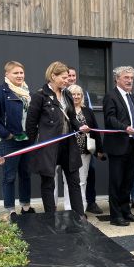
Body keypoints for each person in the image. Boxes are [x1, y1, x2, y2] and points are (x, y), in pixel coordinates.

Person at [26, 61, 89, 220]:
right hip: (49, 146)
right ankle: (50, 219)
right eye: (63, 77)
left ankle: (79, 217)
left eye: (68, 77)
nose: (67, 80)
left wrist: (80, 127)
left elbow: (72, 117)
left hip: (68, 144)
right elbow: (31, 124)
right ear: (53, 76)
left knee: (74, 181)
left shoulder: (67, 94)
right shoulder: (40, 96)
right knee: (48, 183)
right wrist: (33, 146)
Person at [0, 61, 34, 215]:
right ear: (7, 74)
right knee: (9, 176)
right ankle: (10, 209)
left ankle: (26, 206)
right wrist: (6, 134)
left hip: (27, 140)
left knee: (26, 174)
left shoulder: (26, 91)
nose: (19, 75)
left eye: (21, 72)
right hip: (9, 141)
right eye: (15, 73)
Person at [103, 66, 134, 226]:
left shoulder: (133, 98)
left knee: (128, 181)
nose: (130, 81)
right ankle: (115, 216)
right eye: (126, 77)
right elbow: (109, 118)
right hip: (117, 146)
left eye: (131, 78)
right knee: (116, 182)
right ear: (117, 79)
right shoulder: (110, 96)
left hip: (132, 145)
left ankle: (126, 211)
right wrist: (124, 127)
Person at [61, 84, 104, 212]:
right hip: (68, 152)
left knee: (82, 181)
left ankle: (81, 209)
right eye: (73, 94)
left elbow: (95, 131)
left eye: (78, 94)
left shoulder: (88, 111)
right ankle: (69, 209)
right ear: (68, 96)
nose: (76, 96)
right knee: (68, 182)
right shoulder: (64, 111)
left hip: (85, 152)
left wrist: (100, 150)